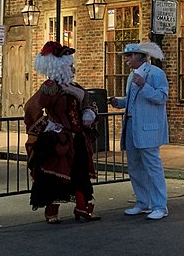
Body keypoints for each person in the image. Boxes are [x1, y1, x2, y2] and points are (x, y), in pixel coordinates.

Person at [23, 41, 100, 224]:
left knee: (79, 173)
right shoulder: (50, 87)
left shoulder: (75, 87)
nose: (73, 69)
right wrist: (47, 125)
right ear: (60, 68)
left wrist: (88, 113)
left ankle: (82, 207)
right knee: (56, 175)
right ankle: (52, 211)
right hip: (59, 139)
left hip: (78, 138)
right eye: (69, 66)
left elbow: (85, 104)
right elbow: (31, 108)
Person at [110, 42, 169, 220]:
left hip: (148, 128)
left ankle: (160, 206)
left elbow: (162, 97)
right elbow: (132, 100)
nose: (126, 59)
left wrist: (144, 86)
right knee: (135, 167)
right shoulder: (131, 76)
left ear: (140, 56)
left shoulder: (156, 74)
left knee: (153, 167)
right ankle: (143, 202)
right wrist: (119, 102)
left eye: (129, 56)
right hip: (131, 127)